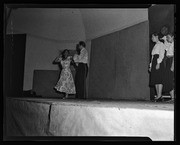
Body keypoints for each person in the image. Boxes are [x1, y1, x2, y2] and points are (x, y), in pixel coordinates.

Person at [149, 33, 165, 102]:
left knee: (159, 78)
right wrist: (150, 66)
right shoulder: (155, 45)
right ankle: (158, 96)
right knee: (155, 79)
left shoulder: (161, 44)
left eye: (152, 37)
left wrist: (158, 63)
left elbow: (161, 54)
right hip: (154, 62)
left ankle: (159, 95)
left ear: (157, 36)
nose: (151, 38)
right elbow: (152, 57)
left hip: (158, 62)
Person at [161, 33, 174, 102]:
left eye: (168, 37)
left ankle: (173, 98)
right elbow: (165, 47)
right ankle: (172, 98)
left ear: (173, 37)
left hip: (172, 61)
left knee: (171, 79)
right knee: (168, 79)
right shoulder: (169, 44)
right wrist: (165, 39)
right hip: (168, 60)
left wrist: (172, 66)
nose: (167, 39)